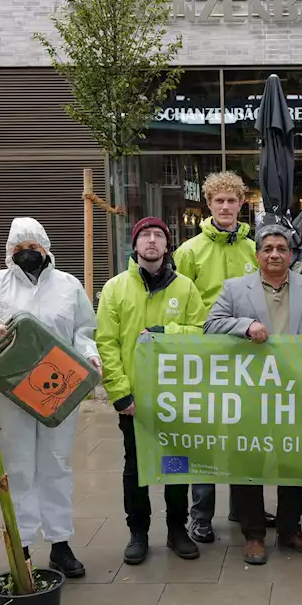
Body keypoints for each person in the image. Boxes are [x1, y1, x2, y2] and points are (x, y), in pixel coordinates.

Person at [0, 217, 99, 579]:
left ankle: (60, 543)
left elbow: (84, 331)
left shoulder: (69, 286)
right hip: (11, 391)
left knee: (56, 463)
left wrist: (90, 357)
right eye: (19, 248)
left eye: (33, 247)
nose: (27, 253)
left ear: (46, 248)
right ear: (10, 252)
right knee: (18, 465)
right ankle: (21, 544)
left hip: (59, 389)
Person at [204, 223, 302, 565]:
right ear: (258, 254)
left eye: (281, 248)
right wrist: (245, 326)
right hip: (251, 392)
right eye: (268, 248)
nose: (275, 254)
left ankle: (290, 529)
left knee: (294, 459)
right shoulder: (234, 288)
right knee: (251, 461)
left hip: (297, 391)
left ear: (291, 255)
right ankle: (254, 534)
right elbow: (211, 324)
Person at [97, 217, 207, 566]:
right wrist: (120, 392)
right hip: (135, 399)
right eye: (145, 235)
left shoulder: (185, 287)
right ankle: (138, 532)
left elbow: (201, 332)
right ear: (135, 245)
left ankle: (177, 529)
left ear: (167, 245)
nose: (151, 241)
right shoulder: (115, 288)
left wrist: (166, 331)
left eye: (158, 236)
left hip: (176, 395)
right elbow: (107, 343)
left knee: (176, 464)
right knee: (136, 466)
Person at [175, 171, 259, 545]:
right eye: (219, 201)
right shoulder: (190, 251)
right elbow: (178, 306)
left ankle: (243, 507)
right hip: (207, 357)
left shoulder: (253, 249)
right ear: (208, 205)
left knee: (244, 434)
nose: (226, 207)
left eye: (232, 200)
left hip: (245, 356)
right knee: (206, 438)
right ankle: (201, 515)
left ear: (242, 204)